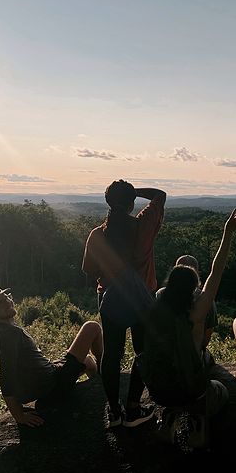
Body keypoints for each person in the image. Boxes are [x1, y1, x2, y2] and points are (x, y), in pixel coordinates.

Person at [140, 210, 236, 448]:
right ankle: (198, 422)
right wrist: (227, 233)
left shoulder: (156, 309)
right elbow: (217, 270)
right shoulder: (197, 312)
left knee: (174, 391)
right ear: (193, 286)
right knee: (219, 390)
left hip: (158, 389)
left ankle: (170, 417)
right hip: (190, 389)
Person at [82, 180, 166, 428]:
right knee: (143, 351)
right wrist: (134, 192)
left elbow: (88, 269)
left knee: (112, 354)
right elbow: (160, 195)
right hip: (142, 296)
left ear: (108, 202)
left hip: (109, 297)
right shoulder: (143, 226)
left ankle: (114, 411)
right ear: (131, 204)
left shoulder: (98, 234)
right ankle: (133, 407)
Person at [0, 285, 102, 427]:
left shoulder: (0, 329)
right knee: (92, 327)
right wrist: (18, 416)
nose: (7, 302)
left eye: (6, 296)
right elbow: (6, 376)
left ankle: (99, 383)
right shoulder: (9, 334)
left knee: (88, 361)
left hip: (47, 380)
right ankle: (105, 378)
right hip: (54, 385)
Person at [156, 254, 218, 366]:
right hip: (192, 359)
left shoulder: (161, 295)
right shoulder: (206, 300)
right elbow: (206, 339)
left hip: (164, 356)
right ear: (197, 275)